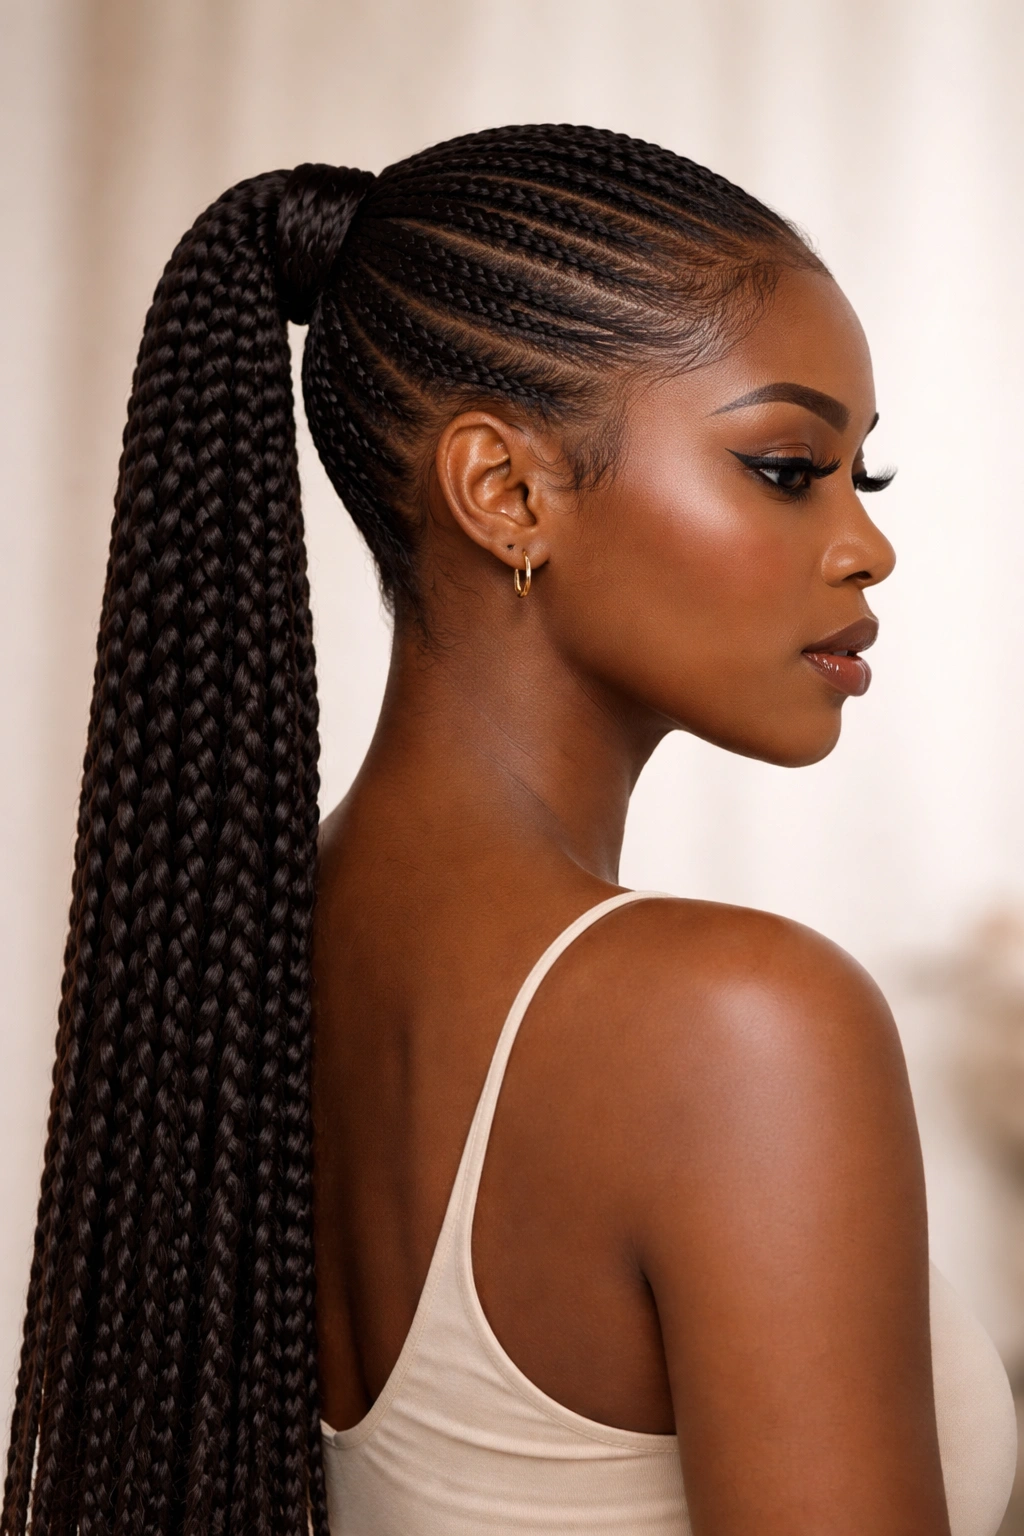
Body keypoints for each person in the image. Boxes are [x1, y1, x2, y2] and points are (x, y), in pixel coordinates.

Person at [3, 125, 1016, 1536]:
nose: (867, 545)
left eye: (868, 478)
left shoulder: (239, 973)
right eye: (790, 468)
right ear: (507, 493)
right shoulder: (739, 1026)